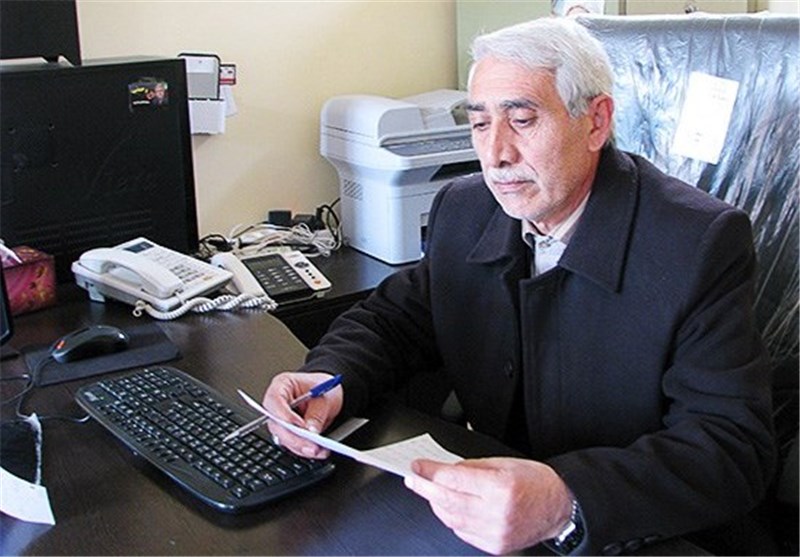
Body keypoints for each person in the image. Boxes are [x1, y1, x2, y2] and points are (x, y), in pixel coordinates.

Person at [262, 17, 776, 556]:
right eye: (480, 124)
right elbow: (395, 320)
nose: (496, 153)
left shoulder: (695, 242)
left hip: (630, 532)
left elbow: (731, 447)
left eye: (523, 120)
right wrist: (329, 378)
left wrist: (566, 500)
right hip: (484, 519)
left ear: (597, 122)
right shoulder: (465, 209)